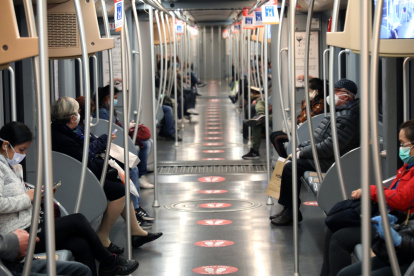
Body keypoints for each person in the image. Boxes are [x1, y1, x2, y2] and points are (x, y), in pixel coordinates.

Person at [0, 121, 139, 276]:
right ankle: (110, 262)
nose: (23, 155)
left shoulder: (13, 167)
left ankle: (107, 266)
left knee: (80, 244)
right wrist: (28, 198)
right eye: (21, 150)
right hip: (17, 234)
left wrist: (38, 196)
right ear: (6, 145)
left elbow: (20, 196)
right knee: (77, 220)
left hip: (32, 224)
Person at [50, 98, 162, 253]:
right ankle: (103, 236)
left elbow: (88, 145)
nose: (80, 114)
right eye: (77, 112)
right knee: (119, 192)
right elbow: (84, 156)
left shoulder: (72, 130)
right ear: (72, 118)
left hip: (84, 171)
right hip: (78, 177)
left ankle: (136, 231)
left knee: (122, 184)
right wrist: (103, 141)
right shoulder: (61, 137)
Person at [320, 118, 414, 276]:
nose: (401, 149)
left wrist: (371, 191)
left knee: (340, 240)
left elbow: (402, 198)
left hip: (400, 226)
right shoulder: (406, 168)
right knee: (332, 227)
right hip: (390, 218)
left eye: (403, 144)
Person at [270, 79, 360, 226]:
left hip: (333, 160)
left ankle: (291, 211)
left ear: (346, 96)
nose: (331, 95)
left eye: (336, 92)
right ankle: (288, 207)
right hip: (325, 156)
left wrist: (303, 153)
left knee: (290, 168)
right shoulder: (338, 112)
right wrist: (302, 147)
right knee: (287, 162)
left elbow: (330, 147)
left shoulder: (348, 117)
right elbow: (318, 137)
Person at [75, 96, 153, 230]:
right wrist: (104, 139)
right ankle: (134, 211)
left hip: (97, 160)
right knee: (126, 176)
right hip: (91, 167)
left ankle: (135, 213)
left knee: (131, 167)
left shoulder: (81, 127)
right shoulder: (77, 131)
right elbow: (87, 151)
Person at [95, 85, 155, 190]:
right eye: (115, 97)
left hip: (118, 136)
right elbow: (111, 129)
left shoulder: (109, 109)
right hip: (114, 140)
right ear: (108, 97)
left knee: (149, 141)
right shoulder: (102, 112)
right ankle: (141, 175)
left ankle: (142, 172)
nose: (116, 100)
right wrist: (126, 127)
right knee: (144, 144)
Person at [337, 215, 414, 276]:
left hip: (409, 260)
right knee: (344, 274)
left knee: (339, 240)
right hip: (399, 254)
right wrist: (397, 217)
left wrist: (400, 242)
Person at [269, 77, 325, 159]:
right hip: (303, 129)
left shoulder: (320, 103)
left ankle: (286, 160)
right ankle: (285, 159)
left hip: (309, 132)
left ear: (315, 91)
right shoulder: (314, 101)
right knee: (274, 135)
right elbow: (300, 117)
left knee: (277, 138)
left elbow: (304, 118)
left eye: (308, 90)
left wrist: (306, 102)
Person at [1, 229, 92, 276]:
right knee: (77, 223)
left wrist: (15, 250)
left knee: (81, 270)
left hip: (8, 261)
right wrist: (14, 242)